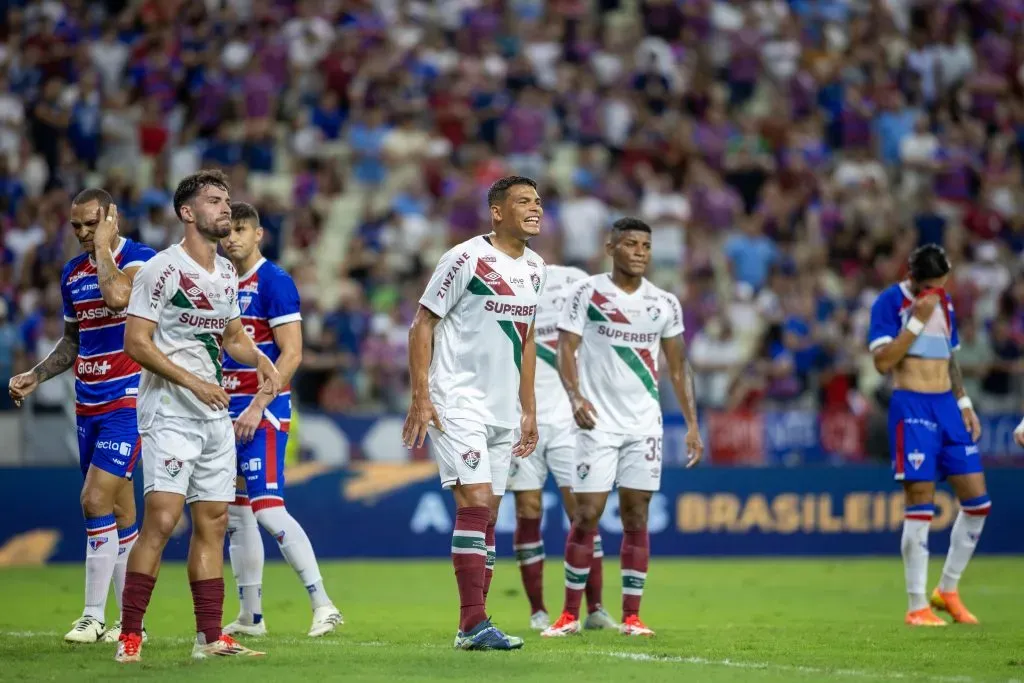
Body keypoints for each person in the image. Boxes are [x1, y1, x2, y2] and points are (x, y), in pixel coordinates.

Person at [116, 170, 280, 662]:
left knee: (212, 521)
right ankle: (130, 634)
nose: (225, 208)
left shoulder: (227, 272)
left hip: (214, 416)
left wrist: (261, 359)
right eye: (213, 200)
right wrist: (194, 382)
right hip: (170, 411)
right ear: (187, 212)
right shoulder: (160, 270)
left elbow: (231, 337)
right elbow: (135, 343)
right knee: (163, 521)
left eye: (227, 200)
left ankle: (210, 637)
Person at [541, 217, 703, 638]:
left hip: (643, 426)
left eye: (646, 245)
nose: (640, 252)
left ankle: (632, 616)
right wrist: (575, 396)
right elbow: (566, 348)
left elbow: (678, 366)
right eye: (630, 244)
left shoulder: (664, 303)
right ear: (611, 248)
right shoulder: (588, 292)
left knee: (636, 517)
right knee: (586, 515)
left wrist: (691, 423)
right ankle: (568, 615)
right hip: (596, 424)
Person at [403, 175, 545, 650]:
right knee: (477, 501)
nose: (535, 208)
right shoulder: (465, 257)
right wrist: (421, 396)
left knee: (489, 516)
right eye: (523, 201)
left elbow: (526, 340)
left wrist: (530, 409)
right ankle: (472, 624)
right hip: (456, 399)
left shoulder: (537, 268)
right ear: (497, 212)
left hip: (504, 409)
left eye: (539, 201)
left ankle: (474, 626)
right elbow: (422, 324)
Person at [8, 189, 154, 644]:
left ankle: (92, 615)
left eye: (92, 223)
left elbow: (117, 298)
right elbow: (74, 340)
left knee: (93, 500)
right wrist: (37, 374)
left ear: (112, 217)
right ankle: (134, 625)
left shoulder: (140, 261)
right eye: (76, 226)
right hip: (87, 402)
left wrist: (105, 248)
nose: (83, 233)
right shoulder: (72, 272)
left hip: (128, 401)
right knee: (121, 511)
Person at [219, 202, 342, 638]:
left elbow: (292, 353)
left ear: (258, 235)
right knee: (237, 514)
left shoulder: (274, 281)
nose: (231, 237)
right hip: (224, 413)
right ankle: (251, 616)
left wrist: (257, 404)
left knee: (269, 511)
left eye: (240, 229)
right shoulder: (219, 280)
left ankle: (323, 604)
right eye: (226, 230)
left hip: (262, 411)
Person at [867, 243, 990, 626]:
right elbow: (883, 362)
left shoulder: (946, 303)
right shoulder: (890, 303)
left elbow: (949, 357)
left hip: (947, 407)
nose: (937, 293)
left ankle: (947, 589)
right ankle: (917, 604)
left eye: (942, 285)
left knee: (977, 502)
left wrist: (965, 402)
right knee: (920, 501)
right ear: (912, 278)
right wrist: (916, 322)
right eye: (932, 286)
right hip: (913, 405)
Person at [506, 263, 616, 631]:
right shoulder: (505, 285)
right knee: (528, 506)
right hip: (523, 418)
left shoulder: (574, 280)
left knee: (583, 511)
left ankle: (596, 609)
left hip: (570, 422)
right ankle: (538, 610)